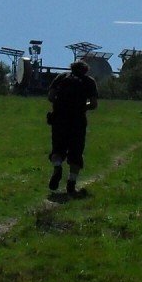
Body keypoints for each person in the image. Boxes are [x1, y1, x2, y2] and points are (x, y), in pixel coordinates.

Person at [46, 60, 99, 195]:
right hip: (77, 121)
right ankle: (71, 184)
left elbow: (51, 96)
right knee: (76, 152)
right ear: (85, 70)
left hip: (59, 118)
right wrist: (81, 106)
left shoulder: (61, 77)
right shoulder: (89, 81)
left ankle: (57, 168)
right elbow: (93, 104)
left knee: (57, 148)